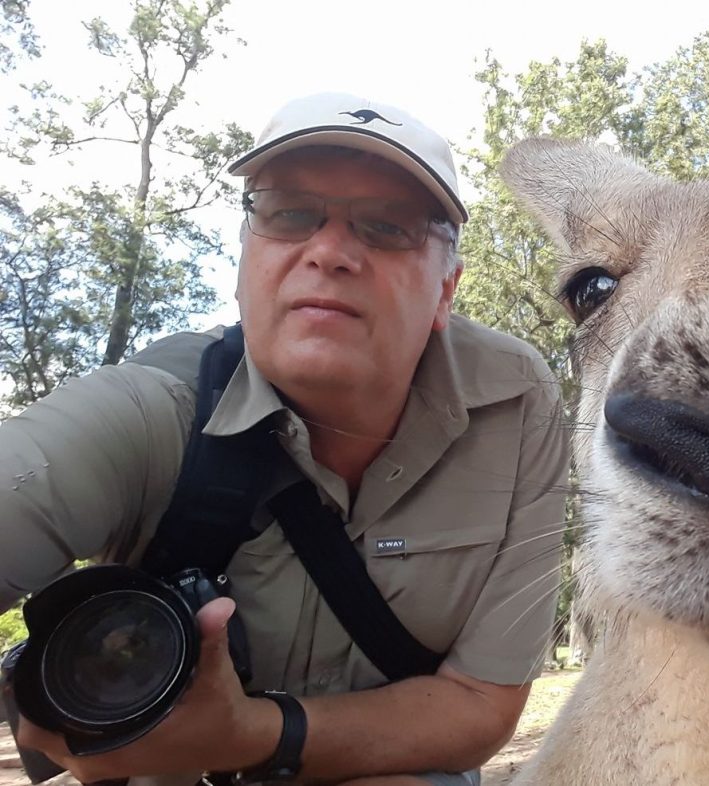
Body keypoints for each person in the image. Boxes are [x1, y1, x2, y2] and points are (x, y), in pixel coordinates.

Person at [0, 92, 570, 786]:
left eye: (387, 227)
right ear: (245, 261)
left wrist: (249, 736)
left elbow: (483, 705)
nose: (329, 251)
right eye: (290, 213)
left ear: (446, 292)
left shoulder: (515, 405)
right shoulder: (153, 409)